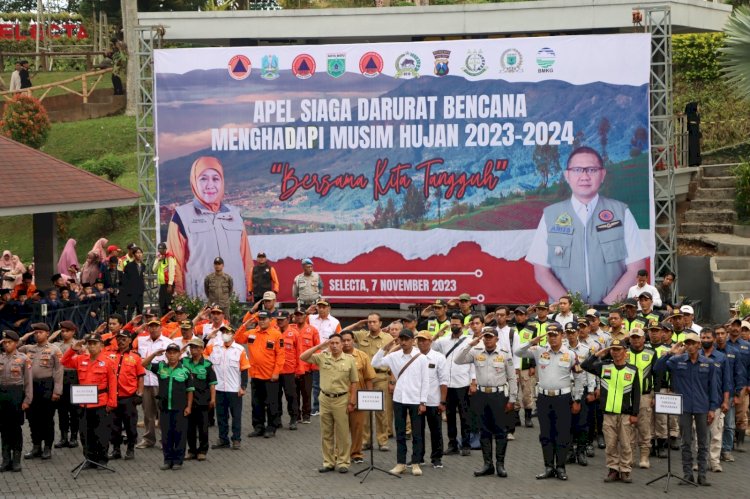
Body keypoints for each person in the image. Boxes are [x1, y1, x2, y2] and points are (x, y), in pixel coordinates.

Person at [526, 146, 649, 305]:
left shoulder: (621, 213)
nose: (584, 176)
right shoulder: (551, 216)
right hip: (566, 313)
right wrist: (571, 306)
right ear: (567, 175)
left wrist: (605, 308)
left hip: (613, 313)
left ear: (602, 174)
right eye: (577, 170)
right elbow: (542, 273)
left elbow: (636, 269)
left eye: (591, 170)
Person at [167, 156, 253, 301]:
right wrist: (179, 295)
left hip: (236, 297)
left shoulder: (235, 214)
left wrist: (250, 289)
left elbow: (246, 258)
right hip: (199, 299)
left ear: (222, 181)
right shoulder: (181, 216)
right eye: (203, 178)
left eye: (215, 178)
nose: (210, 185)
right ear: (194, 181)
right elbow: (174, 261)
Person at [515, 322, 584, 481]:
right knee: (545, 434)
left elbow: (579, 378)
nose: (552, 338)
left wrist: (577, 399)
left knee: (562, 433)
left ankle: (560, 467)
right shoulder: (539, 351)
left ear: (562, 335)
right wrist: (532, 341)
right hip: (544, 398)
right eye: (550, 335)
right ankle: (548, 467)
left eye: (555, 335)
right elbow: (518, 352)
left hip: (563, 398)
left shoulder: (570, 354)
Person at [655, 331, 720, 486]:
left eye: (693, 343)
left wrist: (712, 408)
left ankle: (702, 475)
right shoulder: (677, 361)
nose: (690, 346)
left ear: (699, 345)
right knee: (685, 441)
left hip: (702, 406)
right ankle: (687, 474)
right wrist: (670, 352)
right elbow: (658, 368)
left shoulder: (708, 363)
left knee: (703, 442)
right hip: (683, 406)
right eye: (687, 343)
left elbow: (713, 388)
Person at [455, 327, 516, 477]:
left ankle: (500, 464)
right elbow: (458, 360)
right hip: (481, 396)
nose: (487, 339)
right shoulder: (476, 352)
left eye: (490, 337)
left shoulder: (505, 355)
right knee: (484, 431)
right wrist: (470, 344)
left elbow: (512, 378)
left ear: (496, 339)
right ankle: (487, 464)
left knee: (501, 431)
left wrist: (512, 399)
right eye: (485, 337)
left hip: (499, 396)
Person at [372, 330, 430, 477]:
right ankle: (401, 463)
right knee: (400, 432)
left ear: (413, 340)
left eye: (406, 339)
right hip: (399, 399)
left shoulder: (421, 358)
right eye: (401, 339)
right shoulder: (394, 356)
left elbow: (426, 381)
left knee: (417, 433)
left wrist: (423, 402)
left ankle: (416, 463)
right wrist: (385, 347)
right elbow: (375, 363)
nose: (404, 342)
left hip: (416, 399)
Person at [581, 339, 640, 483]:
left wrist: (634, 413)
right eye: (613, 349)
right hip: (608, 414)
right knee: (611, 444)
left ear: (625, 352)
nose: (615, 352)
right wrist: (600, 353)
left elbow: (636, 393)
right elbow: (585, 365)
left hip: (625, 414)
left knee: (626, 444)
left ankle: (625, 470)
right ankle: (613, 470)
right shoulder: (604, 366)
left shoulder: (632, 370)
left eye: (618, 349)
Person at [300, 334, 358, 473]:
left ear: (342, 344)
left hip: (341, 399)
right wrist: (320, 347)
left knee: (342, 432)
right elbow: (303, 357)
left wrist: (352, 401)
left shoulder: (349, 360)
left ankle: (343, 462)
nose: (334, 345)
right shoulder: (322, 357)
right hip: (325, 399)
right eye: (331, 343)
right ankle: (328, 462)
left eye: (337, 343)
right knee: (326, 432)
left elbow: (354, 382)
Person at [61, 333, 118, 468]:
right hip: (83, 402)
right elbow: (64, 362)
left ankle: (102, 459)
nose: (91, 346)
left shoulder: (108, 362)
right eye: (90, 344)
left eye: (95, 343)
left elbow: (113, 383)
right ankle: (89, 458)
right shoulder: (81, 359)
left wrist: (112, 402)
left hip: (101, 401)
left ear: (101, 346)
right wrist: (73, 349)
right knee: (85, 433)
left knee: (101, 432)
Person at [142, 343, 194, 470]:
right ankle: (167, 460)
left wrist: (189, 407)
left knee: (179, 435)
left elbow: (190, 390)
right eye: (169, 353)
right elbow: (143, 364)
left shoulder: (185, 370)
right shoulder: (160, 367)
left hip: (180, 408)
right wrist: (154, 354)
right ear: (166, 354)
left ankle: (178, 460)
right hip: (164, 408)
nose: (172, 355)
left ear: (179, 354)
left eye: (174, 352)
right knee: (166, 435)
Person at [431, 313, 474, 456]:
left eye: (457, 324)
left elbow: (473, 362)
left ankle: (466, 444)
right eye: (452, 324)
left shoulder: (469, 340)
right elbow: (430, 347)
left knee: (464, 416)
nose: (454, 326)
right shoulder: (443, 341)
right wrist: (437, 334)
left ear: (462, 325)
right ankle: (452, 444)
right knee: (449, 416)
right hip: (447, 385)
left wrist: (473, 381)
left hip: (462, 383)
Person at [19, 323, 63, 461]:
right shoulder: (28, 348)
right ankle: (36, 446)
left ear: (47, 333)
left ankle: (47, 447)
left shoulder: (54, 349)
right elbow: (13, 347)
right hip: (31, 386)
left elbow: (58, 371)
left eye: (40, 332)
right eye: (35, 333)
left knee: (47, 419)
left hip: (47, 385)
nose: (37, 335)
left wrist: (57, 391)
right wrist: (24, 337)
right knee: (32, 418)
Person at [350, 313, 393, 452]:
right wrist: (357, 324)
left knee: (381, 410)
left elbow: (393, 358)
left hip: (380, 376)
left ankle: (383, 440)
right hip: (364, 378)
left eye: (374, 322)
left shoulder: (388, 338)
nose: (371, 324)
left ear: (380, 323)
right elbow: (343, 333)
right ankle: (366, 440)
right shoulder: (362, 335)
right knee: (364, 410)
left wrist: (392, 379)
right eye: (369, 322)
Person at [205, 326, 250, 450]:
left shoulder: (240, 349)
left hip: (234, 389)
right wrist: (207, 338)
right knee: (221, 416)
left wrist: (243, 386)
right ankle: (223, 439)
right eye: (223, 332)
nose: (225, 334)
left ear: (233, 334)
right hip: (219, 388)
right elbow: (202, 354)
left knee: (236, 416)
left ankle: (236, 439)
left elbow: (244, 370)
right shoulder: (214, 348)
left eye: (228, 332)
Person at [242, 310, 284, 439]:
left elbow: (281, 356)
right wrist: (246, 324)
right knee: (256, 404)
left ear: (270, 320)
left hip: (270, 377)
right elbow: (237, 338)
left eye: (264, 319)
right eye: (259, 319)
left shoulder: (276, 335)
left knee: (271, 403)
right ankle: (258, 427)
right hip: (255, 376)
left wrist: (276, 373)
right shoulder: (251, 333)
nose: (261, 321)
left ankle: (271, 428)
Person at [413, 330, 448, 469]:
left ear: (430, 341)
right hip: (416, 400)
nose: (421, 342)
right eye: (419, 340)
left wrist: (443, 401)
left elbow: (444, 381)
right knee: (417, 430)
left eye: (424, 340)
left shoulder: (439, 357)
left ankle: (437, 458)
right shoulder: (413, 356)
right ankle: (418, 457)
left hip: (434, 400)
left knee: (436, 430)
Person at [135, 319, 172, 449]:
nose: (153, 329)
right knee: (147, 412)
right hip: (145, 381)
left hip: (160, 382)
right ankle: (148, 439)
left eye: (156, 326)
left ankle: (164, 439)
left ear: (161, 328)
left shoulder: (167, 342)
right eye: (151, 327)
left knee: (162, 412)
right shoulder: (141, 341)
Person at [563, 321, 596, 467]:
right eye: (568, 332)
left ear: (578, 332)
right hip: (565, 389)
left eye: (573, 332)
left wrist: (591, 390)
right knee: (567, 423)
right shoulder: (561, 348)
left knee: (582, 423)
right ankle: (570, 452)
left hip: (581, 389)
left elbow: (590, 371)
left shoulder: (586, 350)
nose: (570, 335)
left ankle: (581, 452)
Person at [107, 330, 145, 461]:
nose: (121, 341)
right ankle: (116, 449)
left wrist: (139, 394)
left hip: (129, 397)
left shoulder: (135, 357)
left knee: (130, 425)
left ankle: (130, 449)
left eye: (124, 339)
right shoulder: (110, 355)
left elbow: (140, 377)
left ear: (130, 340)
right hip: (113, 397)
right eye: (119, 338)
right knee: (114, 425)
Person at [340, 330, 375, 465]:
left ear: (353, 340)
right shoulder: (334, 356)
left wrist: (370, 397)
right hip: (340, 398)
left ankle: (356, 453)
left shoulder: (362, 356)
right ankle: (341, 454)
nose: (346, 343)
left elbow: (369, 378)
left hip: (358, 397)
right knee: (340, 428)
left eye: (349, 340)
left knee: (357, 427)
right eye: (344, 340)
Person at [0, 330, 33, 472]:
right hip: (2, 394)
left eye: (9, 342)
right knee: (3, 429)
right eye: (4, 343)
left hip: (16, 394)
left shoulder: (24, 359)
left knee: (15, 428)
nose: (6, 345)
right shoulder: (0, 358)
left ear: (16, 343)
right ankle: (6, 459)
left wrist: (27, 399)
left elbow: (28, 381)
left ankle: (16, 459)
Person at [700, 328, 730, 473]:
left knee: (716, 434)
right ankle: (701, 461)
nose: (705, 340)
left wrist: (725, 401)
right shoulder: (695, 355)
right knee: (699, 433)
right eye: (703, 338)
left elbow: (727, 381)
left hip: (716, 400)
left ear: (713, 339)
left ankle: (715, 462)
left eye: (707, 337)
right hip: (699, 401)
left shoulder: (721, 357)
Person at [626, 327, 657, 469]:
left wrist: (655, 394)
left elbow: (657, 375)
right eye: (633, 337)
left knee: (644, 427)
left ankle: (644, 456)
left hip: (645, 395)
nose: (636, 340)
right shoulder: (624, 352)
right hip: (627, 396)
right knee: (628, 427)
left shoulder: (651, 353)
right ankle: (630, 456)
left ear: (644, 338)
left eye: (638, 337)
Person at [182, 337, 217, 461]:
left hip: (203, 400)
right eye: (191, 347)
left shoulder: (207, 364)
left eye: (196, 347)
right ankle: (191, 450)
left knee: (203, 428)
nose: (193, 350)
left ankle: (202, 450)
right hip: (188, 401)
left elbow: (212, 383)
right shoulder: (185, 362)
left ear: (202, 349)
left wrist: (213, 399)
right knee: (189, 428)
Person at [715, 323, 745, 463]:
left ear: (726, 334)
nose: (720, 337)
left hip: (731, 393)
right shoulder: (710, 352)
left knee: (729, 424)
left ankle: (726, 450)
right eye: (717, 334)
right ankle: (713, 450)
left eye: (722, 334)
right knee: (713, 425)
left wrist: (738, 394)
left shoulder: (735, 352)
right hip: (713, 393)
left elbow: (739, 374)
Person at [308, 299, 341, 415]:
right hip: (310, 355)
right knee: (311, 384)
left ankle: (321, 407)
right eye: (319, 306)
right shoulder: (310, 318)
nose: (321, 309)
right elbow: (296, 323)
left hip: (326, 356)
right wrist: (307, 312)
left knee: (323, 383)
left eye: (324, 307)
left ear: (329, 308)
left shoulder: (335, 322)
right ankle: (314, 407)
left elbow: (338, 340)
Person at [53, 321, 80, 449]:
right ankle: (63, 437)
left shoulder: (79, 345)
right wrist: (53, 335)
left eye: (67, 331)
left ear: (73, 331)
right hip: (60, 378)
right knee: (62, 410)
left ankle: (74, 437)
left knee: (74, 410)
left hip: (74, 377)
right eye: (62, 331)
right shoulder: (57, 345)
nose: (64, 333)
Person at [291, 308, 319, 424]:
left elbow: (317, 348)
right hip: (294, 368)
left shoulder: (312, 330)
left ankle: (306, 415)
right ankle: (296, 416)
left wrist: (314, 366)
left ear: (305, 316)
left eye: (301, 315)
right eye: (296, 315)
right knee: (294, 393)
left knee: (306, 393)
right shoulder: (291, 329)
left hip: (307, 368)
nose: (299, 317)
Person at [513, 306, 538, 429]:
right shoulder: (511, 329)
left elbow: (535, 348)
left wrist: (533, 365)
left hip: (526, 365)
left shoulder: (532, 329)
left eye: (521, 314)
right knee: (514, 392)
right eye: (517, 314)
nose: (519, 316)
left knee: (527, 392)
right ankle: (516, 417)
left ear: (526, 316)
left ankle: (528, 417)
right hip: (513, 367)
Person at [276, 311, 301, 430]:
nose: (279, 321)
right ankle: (277, 419)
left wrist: (298, 370)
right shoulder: (273, 332)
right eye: (278, 319)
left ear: (288, 319)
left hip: (289, 370)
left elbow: (299, 353)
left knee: (291, 395)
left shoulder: (294, 334)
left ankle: (294, 418)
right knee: (275, 396)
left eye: (282, 319)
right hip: (275, 370)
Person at [121, 247, 146, 319]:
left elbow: (142, 278)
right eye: (137, 253)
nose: (139, 255)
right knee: (131, 310)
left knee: (140, 310)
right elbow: (125, 280)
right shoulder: (129, 266)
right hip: (132, 292)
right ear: (134, 254)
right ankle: (128, 326)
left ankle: (139, 326)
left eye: (140, 253)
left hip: (140, 291)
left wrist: (143, 287)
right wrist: (127, 292)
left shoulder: (143, 266)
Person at [153, 242, 176, 315]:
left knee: (169, 303)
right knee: (161, 302)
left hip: (169, 283)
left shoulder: (170, 257)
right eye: (159, 249)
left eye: (162, 249)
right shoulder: (158, 257)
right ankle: (163, 319)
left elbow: (172, 271)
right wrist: (159, 260)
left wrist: (170, 284)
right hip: (162, 284)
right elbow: (154, 269)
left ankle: (171, 320)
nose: (160, 250)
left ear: (165, 249)